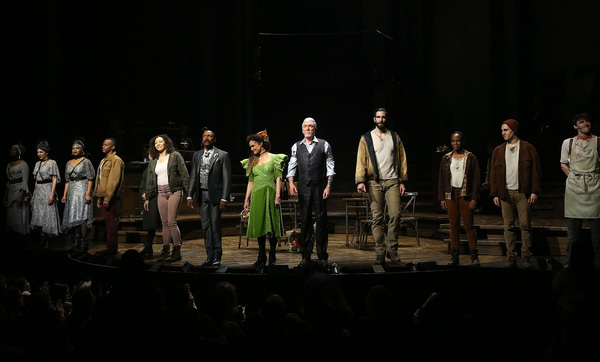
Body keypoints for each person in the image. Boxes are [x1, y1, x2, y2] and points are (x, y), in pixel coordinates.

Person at [355, 108, 407, 265]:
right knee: (377, 219)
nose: (381, 120)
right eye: (378, 117)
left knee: (395, 216)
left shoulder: (395, 137)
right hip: (374, 182)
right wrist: (360, 180)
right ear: (374, 119)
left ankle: (392, 251)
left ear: (386, 119)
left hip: (392, 181)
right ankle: (379, 252)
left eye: (383, 117)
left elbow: (402, 159)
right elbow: (361, 159)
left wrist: (402, 180)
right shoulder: (366, 138)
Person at [490, 119, 542, 269]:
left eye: (505, 130)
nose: (503, 133)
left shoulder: (527, 148)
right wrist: (495, 194)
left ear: (513, 130)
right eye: (502, 130)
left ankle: (526, 256)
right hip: (505, 194)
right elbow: (493, 174)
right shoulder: (498, 150)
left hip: (522, 193)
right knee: (508, 226)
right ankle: (511, 256)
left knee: (525, 225)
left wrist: (534, 191)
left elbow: (535, 171)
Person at [287, 117, 335, 269]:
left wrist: (328, 185)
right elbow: (292, 164)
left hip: (320, 185)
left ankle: (322, 256)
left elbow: (330, 164)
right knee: (305, 220)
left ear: (315, 129)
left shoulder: (323, 144)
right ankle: (305, 256)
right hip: (303, 185)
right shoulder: (296, 146)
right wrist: (290, 183)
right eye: (305, 126)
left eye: (310, 126)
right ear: (302, 129)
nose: (307, 128)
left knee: (321, 220)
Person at [242, 131, 288, 267]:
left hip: (270, 193)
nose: (252, 149)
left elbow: (278, 177)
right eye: (250, 147)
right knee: (260, 224)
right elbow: (250, 181)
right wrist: (246, 199)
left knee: (272, 225)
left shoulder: (275, 158)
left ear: (261, 144)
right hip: (257, 195)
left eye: (253, 146)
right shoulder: (251, 160)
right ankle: (261, 255)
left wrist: (278, 195)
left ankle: (272, 254)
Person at [560, 112, 600, 270]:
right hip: (574, 191)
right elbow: (563, 163)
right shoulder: (568, 143)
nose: (586, 124)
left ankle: (598, 266)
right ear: (575, 126)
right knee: (573, 235)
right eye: (582, 122)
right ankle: (570, 265)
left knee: (597, 236)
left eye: (588, 121)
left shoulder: (598, 142)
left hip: (594, 188)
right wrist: (573, 177)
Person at [187, 129, 232, 266]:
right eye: (205, 136)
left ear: (214, 139)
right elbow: (193, 176)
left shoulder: (222, 155)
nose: (207, 138)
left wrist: (224, 198)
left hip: (216, 196)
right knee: (205, 226)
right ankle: (209, 255)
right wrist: (190, 194)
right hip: (202, 195)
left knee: (215, 226)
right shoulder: (197, 155)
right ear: (202, 139)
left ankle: (217, 255)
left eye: (210, 136)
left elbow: (226, 178)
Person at [437, 131, 481, 266]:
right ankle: (454, 256)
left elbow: (476, 180)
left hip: (465, 194)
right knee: (453, 226)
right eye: (453, 141)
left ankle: (474, 256)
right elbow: (441, 180)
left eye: (458, 140)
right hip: (451, 195)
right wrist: (442, 198)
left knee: (469, 226)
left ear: (463, 141)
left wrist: (474, 198)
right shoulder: (446, 158)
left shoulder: (470, 157)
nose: (455, 143)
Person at [144, 134, 189, 263]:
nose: (158, 144)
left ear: (166, 143)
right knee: (164, 223)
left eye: (160, 142)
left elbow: (184, 174)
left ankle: (176, 250)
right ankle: (165, 250)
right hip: (160, 192)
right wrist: (148, 197)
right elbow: (150, 180)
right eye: (156, 143)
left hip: (174, 190)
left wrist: (189, 193)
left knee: (171, 222)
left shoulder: (175, 155)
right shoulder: (154, 160)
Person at [60, 138, 95, 252]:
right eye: (73, 148)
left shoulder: (86, 161)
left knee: (82, 216)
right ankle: (76, 239)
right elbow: (66, 181)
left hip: (83, 189)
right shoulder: (68, 163)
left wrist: (88, 193)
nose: (75, 150)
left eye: (77, 148)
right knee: (74, 215)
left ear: (82, 150)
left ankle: (84, 240)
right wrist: (64, 195)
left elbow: (90, 179)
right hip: (72, 191)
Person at [93, 138, 125, 256]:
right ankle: (109, 246)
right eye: (103, 144)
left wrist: (107, 198)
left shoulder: (116, 160)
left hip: (110, 197)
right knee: (108, 221)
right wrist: (99, 197)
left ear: (113, 147)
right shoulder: (104, 160)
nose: (103, 146)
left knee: (110, 221)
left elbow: (113, 181)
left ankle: (112, 247)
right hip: (104, 196)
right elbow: (100, 180)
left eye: (106, 145)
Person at [30, 140, 61, 247]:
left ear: (46, 152)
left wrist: (52, 194)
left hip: (47, 189)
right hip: (38, 190)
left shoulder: (52, 163)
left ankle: (49, 239)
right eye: (38, 152)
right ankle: (42, 237)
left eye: (41, 152)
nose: (38, 154)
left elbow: (54, 178)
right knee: (39, 214)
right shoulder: (37, 163)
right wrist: (34, 193)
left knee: (48, 213)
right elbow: (36, 179)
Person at [4, 143, 30, 240]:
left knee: (19, 213)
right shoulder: (9, 165)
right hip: (11, 190)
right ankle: (12, 237)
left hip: (19, 190)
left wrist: (21, 195)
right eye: (11, 149)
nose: (11, 151)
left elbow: (25, 182)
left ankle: (20, 237)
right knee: (11, 215)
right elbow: (9, 181)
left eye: (14, 149)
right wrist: (5, 196)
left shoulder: (23, 164)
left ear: (19, 152)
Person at [138, 154, 162, 259]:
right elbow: (144, 182)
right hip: (148, 198)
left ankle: (173, 245)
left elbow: (156, 183)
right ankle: (148, 246)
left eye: (151, 153)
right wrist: (143, 192)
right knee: (150, 225)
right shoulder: (148, 167)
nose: (149, 155)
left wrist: (148, 194)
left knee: (157, 222)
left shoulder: (158, 166)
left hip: (156, 197)